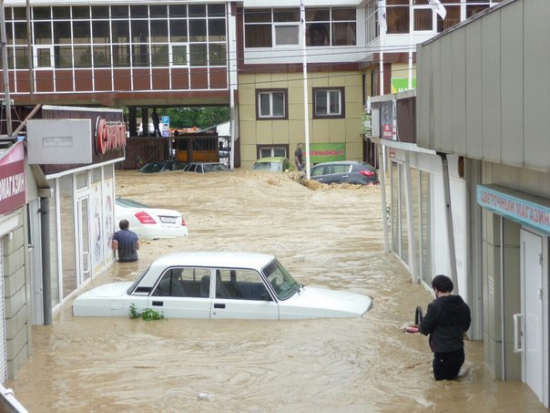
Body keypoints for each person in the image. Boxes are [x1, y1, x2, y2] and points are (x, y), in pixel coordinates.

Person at [406, 274, 471, 381]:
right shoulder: (463, 306)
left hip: (443, 357)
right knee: (454, 385)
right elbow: (466, 326)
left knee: (441, 390)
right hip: (459, 354)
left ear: (436, 289)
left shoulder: (435, 306)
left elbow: (423, 329)